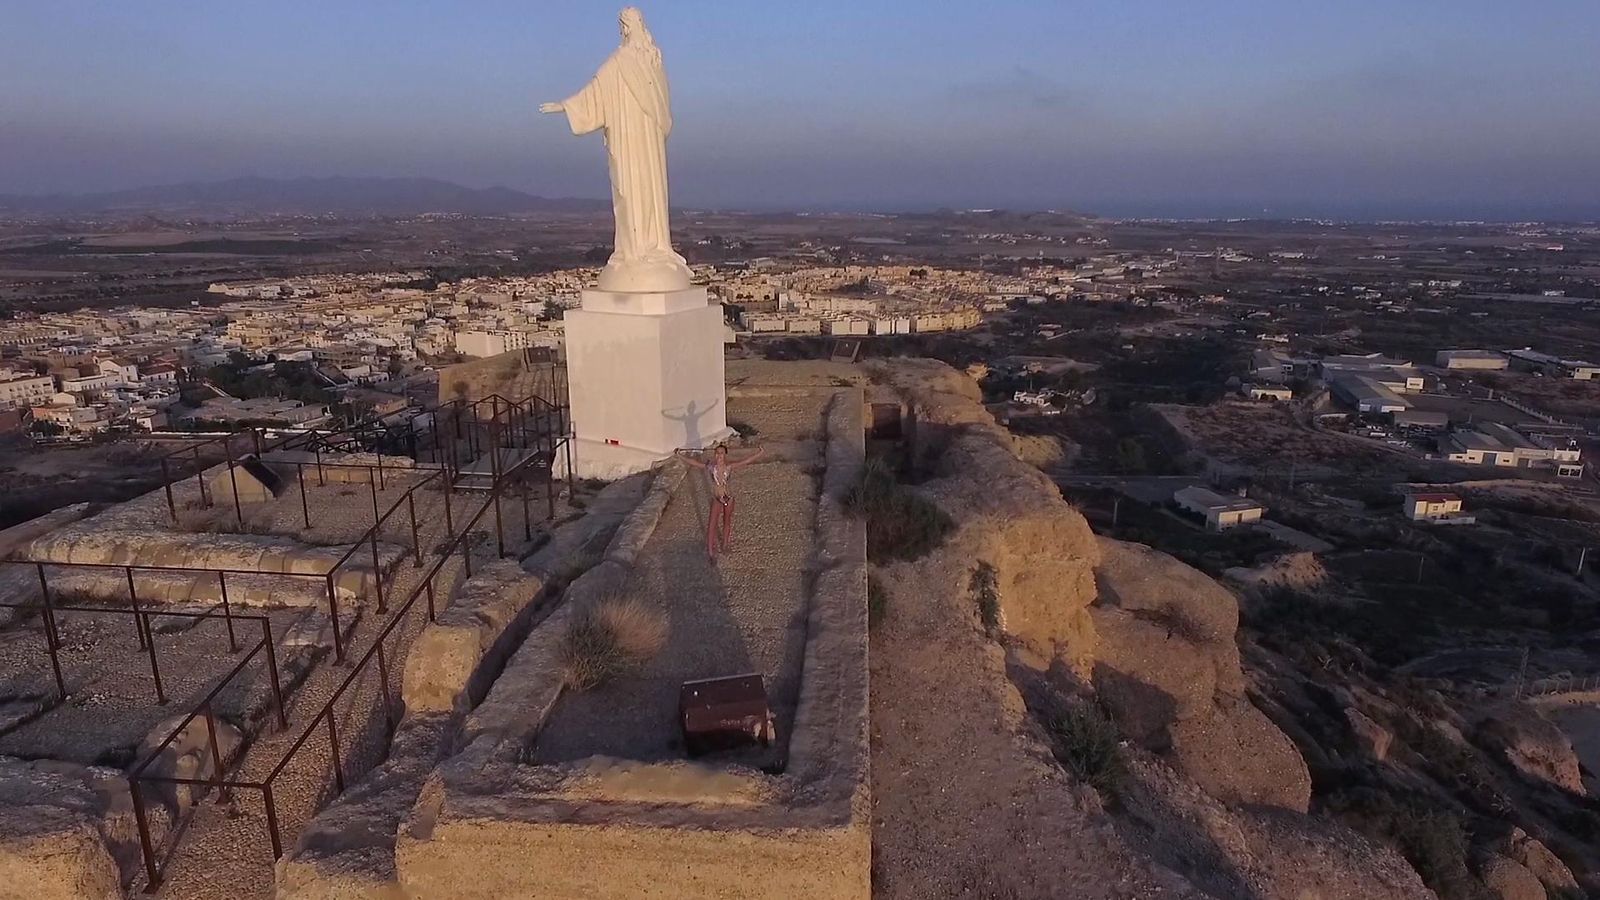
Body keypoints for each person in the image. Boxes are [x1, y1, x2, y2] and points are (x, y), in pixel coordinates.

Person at [676, 444, 765, 560]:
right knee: (712, 524)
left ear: (725, 455)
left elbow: (745, 461)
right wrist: (680, 455)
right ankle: (710, 551)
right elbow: (695, 463)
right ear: (715, 455)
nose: (719, 456)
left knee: (727, 521)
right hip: (717, 498)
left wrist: (759, 453)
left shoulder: (729, 467)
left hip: (728, 497)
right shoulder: (711, 468)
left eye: (721, 453)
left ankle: (725, 545)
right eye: (717, 453)